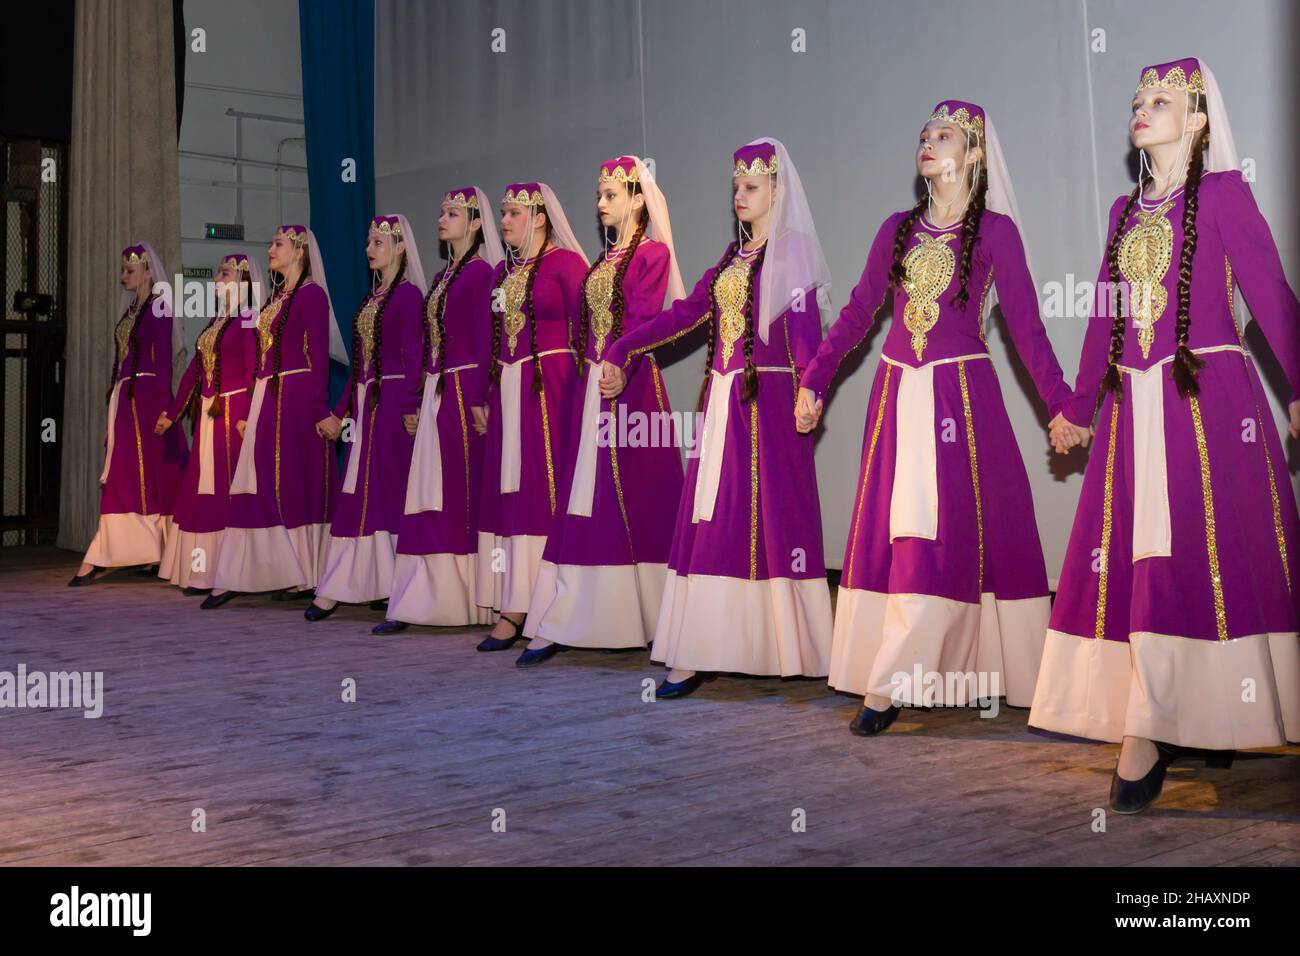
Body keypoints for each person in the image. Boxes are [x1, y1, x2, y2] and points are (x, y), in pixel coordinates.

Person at [1029, 58, 1300, 814]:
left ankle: (1206, 714)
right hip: (1132, 414)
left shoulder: (1222, 194)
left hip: (1207, 405)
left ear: (1201, 119)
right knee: (1145, 565)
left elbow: (1271, 294)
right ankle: (1147, 724)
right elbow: (1104, 319)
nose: (1141, 109)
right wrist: (1081, 407)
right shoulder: (1123, 212)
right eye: (1137, 100)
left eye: (1161, 100)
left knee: (1206, 560)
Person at [601, 138, 834, 698]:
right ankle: (700, 646)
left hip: (769, 407)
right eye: (735, 186)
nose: (739, 196)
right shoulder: (733, 260)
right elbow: (683, 314)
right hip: (723, 406)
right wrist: (623, 348)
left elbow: (805, 331)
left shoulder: (792, 251)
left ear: (777, 191)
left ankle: (782, 644)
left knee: (770, 523)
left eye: (751, 187)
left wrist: (811, 387)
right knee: (712, 521)